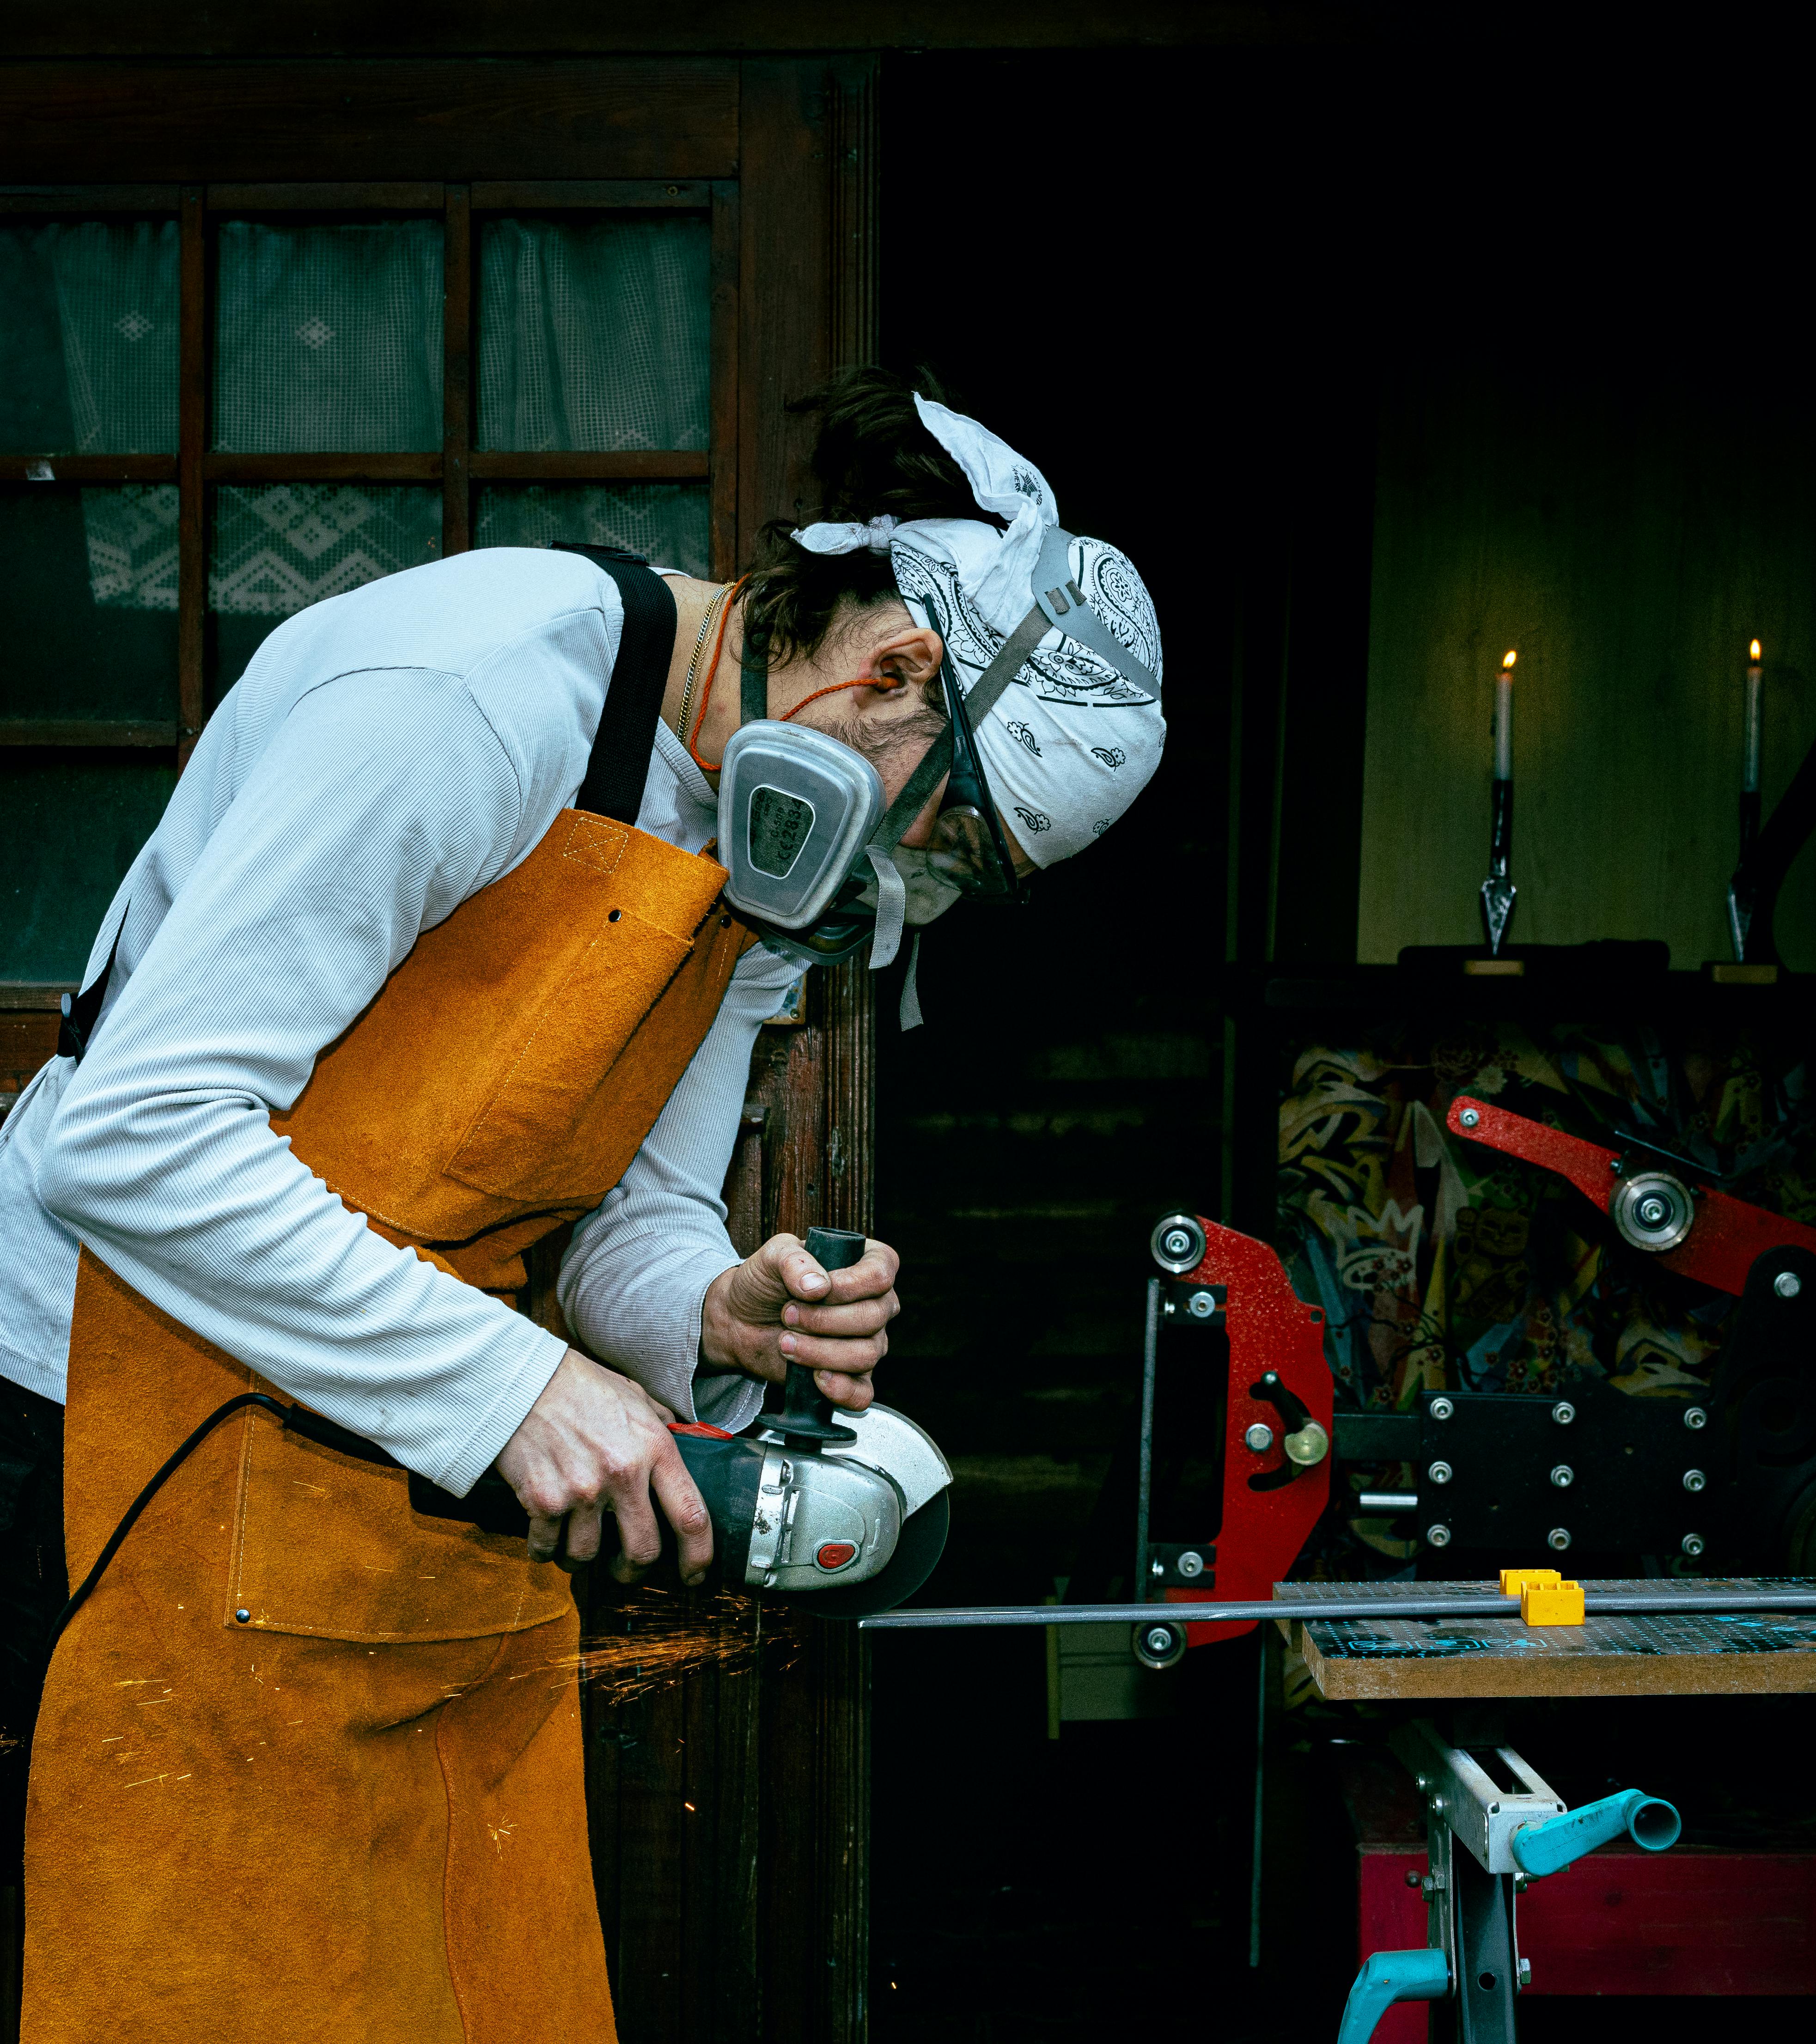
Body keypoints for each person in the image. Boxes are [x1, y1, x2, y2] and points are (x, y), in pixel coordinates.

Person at [0, 366, 1164, 2042]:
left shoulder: (775, 840)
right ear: (893, 669)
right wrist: (514, 1387)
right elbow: (133, 1137)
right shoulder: (474, 697)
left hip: (376, 1481)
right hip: (94, 1434)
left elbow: (624, 1210)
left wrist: (704, 1306)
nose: (926, 888)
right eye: (958, 836)